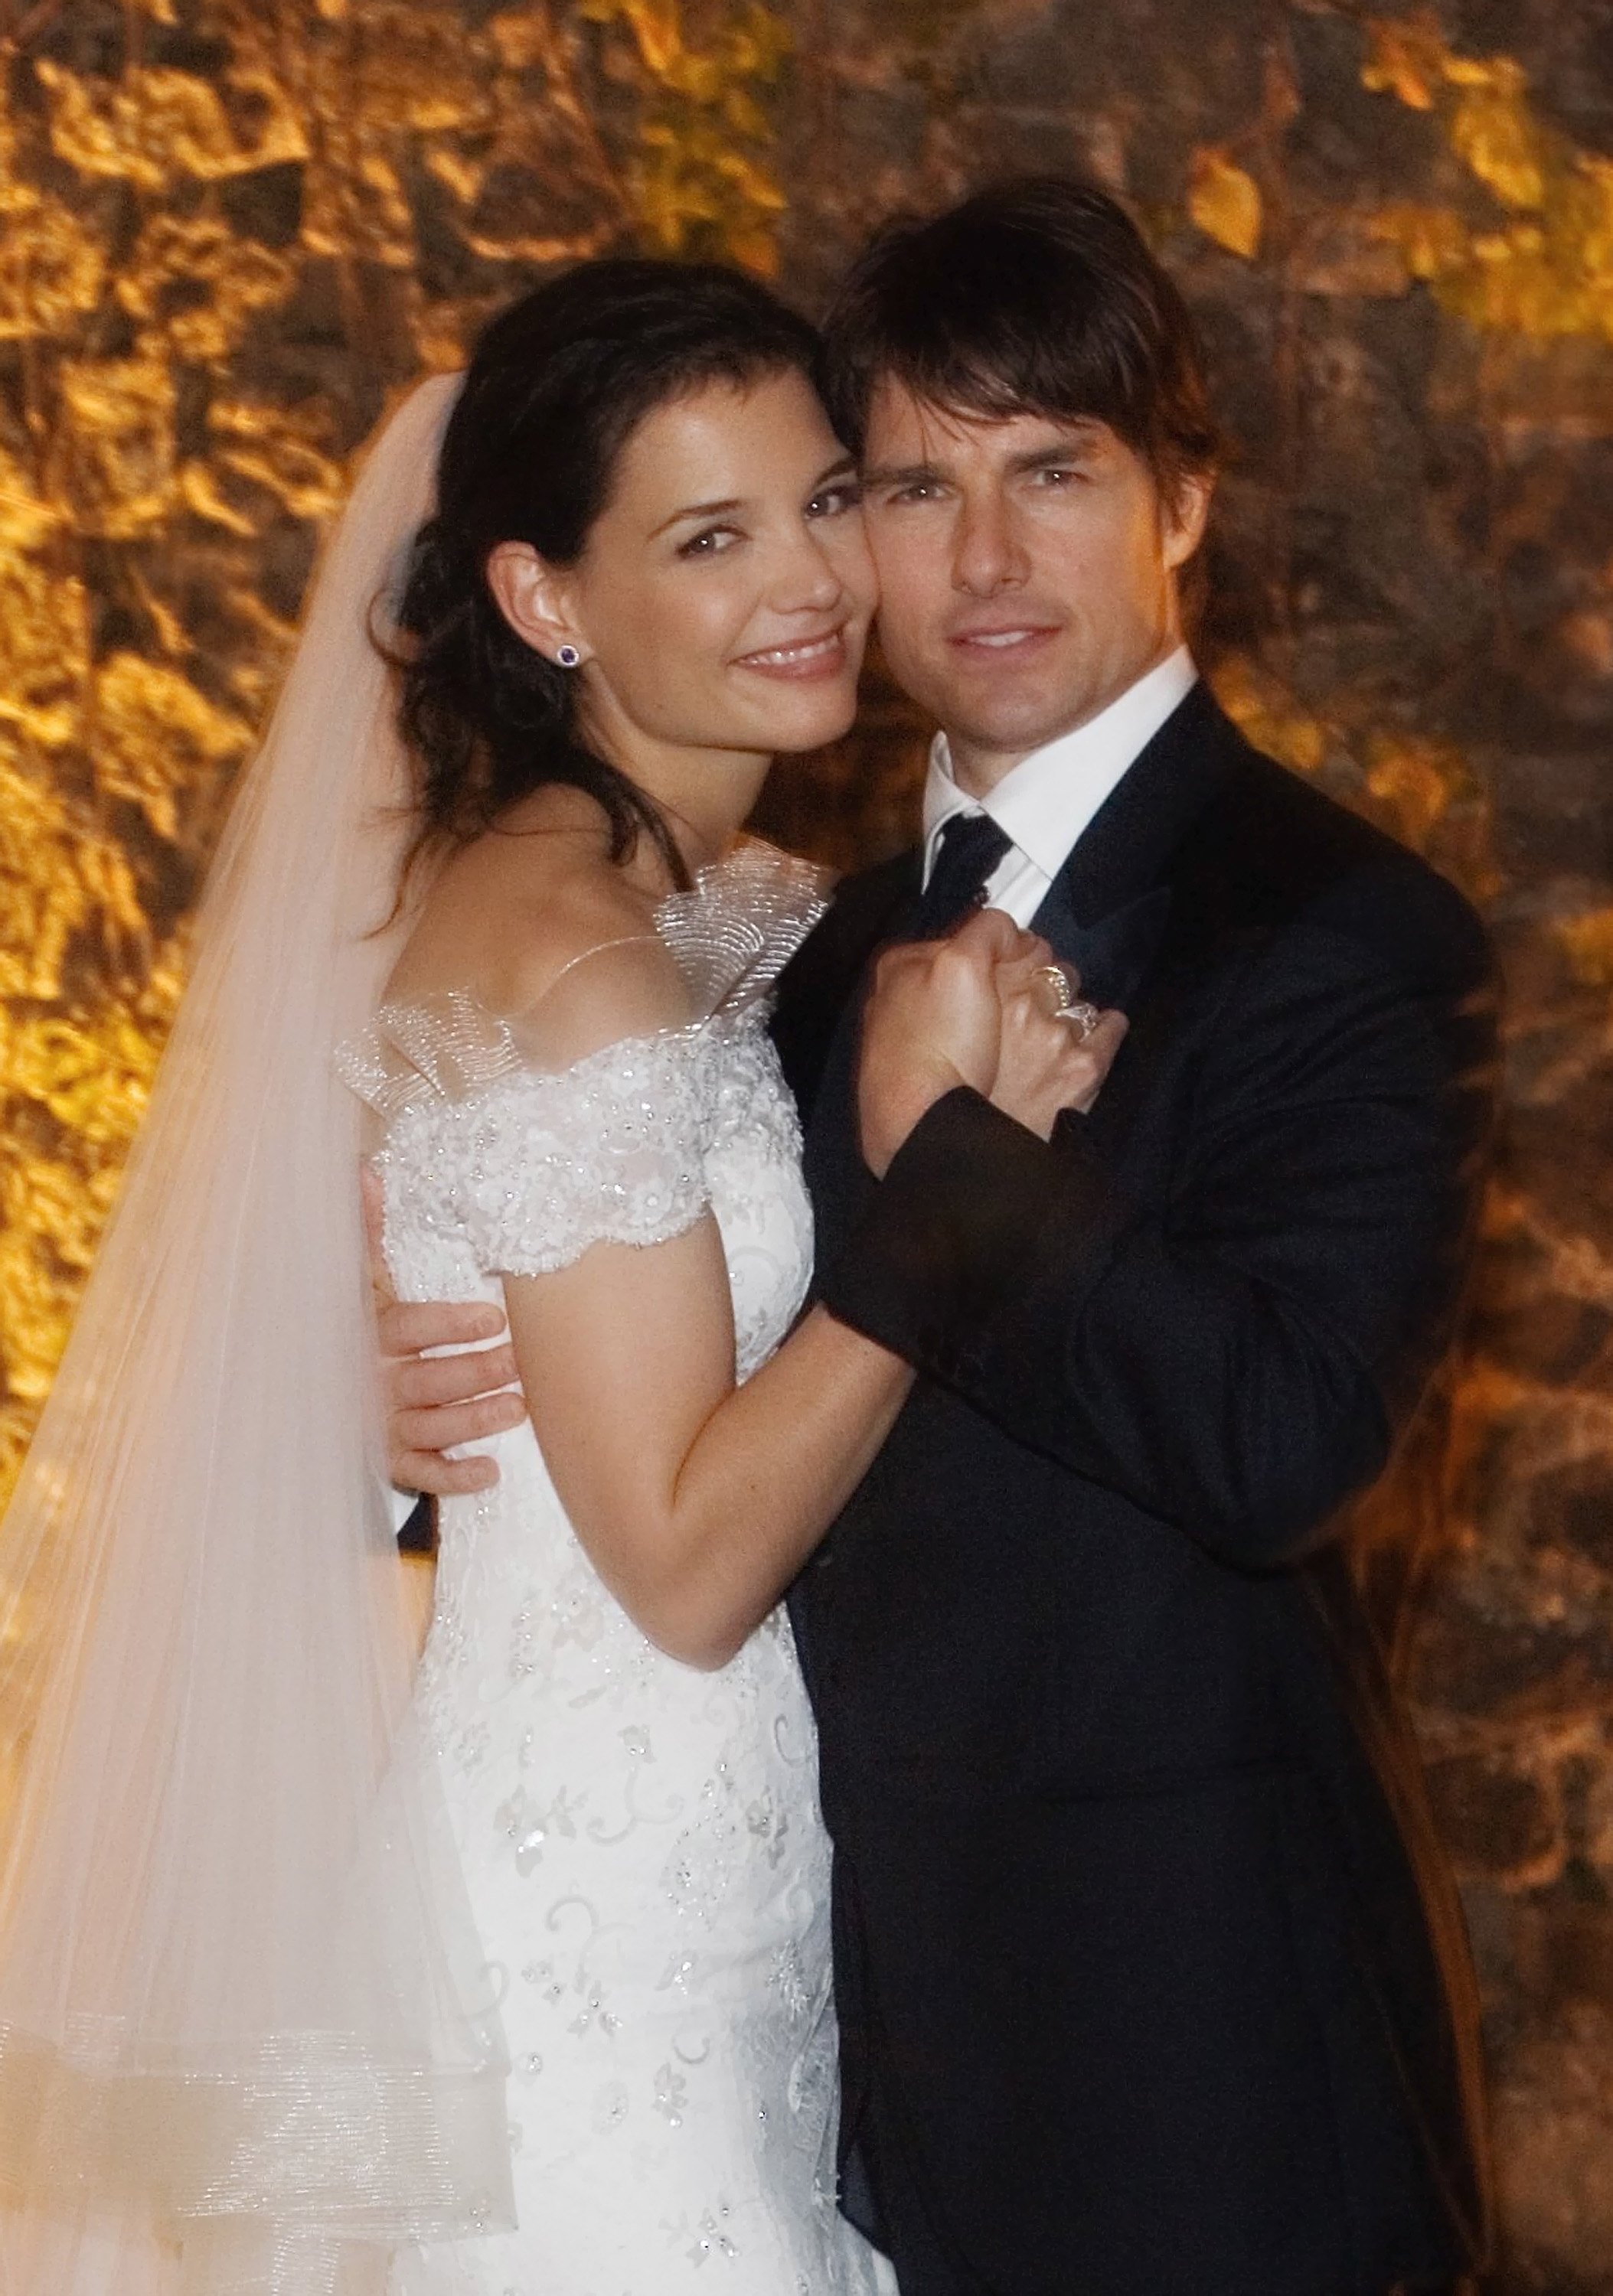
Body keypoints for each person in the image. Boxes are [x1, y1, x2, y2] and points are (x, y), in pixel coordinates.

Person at [393, 181, 1500, 2296]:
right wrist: (420, 1382)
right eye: (907, 486)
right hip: (810, 2041)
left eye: (1052, 475)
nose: (979, 562)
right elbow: (623, 1310)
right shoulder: (786, 945)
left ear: (1182, 502)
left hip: (1188, 2072)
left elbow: (1281, 1448)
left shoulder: (1337, 934)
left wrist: (959, 1172)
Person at [0, 255, 1108, 2295]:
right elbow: (681, 1565)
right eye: (712, 537)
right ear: (542, 600)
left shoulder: (646, 898)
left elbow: (449, 1220)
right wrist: (956, 1182)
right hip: (615, 1910)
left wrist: (360, 1387)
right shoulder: (591, 962)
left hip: (666, 1853)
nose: (818, 583)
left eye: (824, 499)